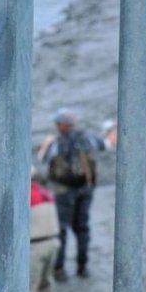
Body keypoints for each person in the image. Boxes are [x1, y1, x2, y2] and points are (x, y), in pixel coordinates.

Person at [36, 109, 116, 281]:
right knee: (83, 228)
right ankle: (82, 267)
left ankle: (59, 270)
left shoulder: (55, 142)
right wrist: (114, 130)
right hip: (85, 189)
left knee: (61, 231)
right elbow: (107, 145)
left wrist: (45, 144)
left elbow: (42, 159)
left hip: (62, 191)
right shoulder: (87, 137)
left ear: (61, 125)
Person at [29, 176, 62, 292]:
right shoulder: (46, 194)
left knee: (31, 288)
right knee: (47, 281)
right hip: (53, 242)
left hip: (36, 244)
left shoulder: (27, 196)